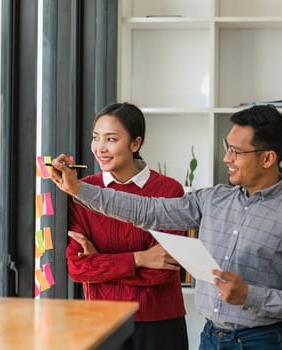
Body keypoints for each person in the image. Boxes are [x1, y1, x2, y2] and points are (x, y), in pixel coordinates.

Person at [50, 105, 282, 350]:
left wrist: (250, 296)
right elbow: (148, 211)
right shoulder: (212, 200)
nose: (226, 159)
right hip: (210, 338)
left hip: (264, 341)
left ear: (267, 158)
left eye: (236, 151)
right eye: (226, 147)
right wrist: (78, 190)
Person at [63, 102, 189, 350]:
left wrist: (102, 262)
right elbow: (77, 268)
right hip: (102, 320)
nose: (100, 148)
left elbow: (162, 270)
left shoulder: (168, 190)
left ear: (135, 143)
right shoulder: (82, 191)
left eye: (111, 139)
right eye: (96, 138)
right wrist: (139, 258)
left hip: (159, 323)